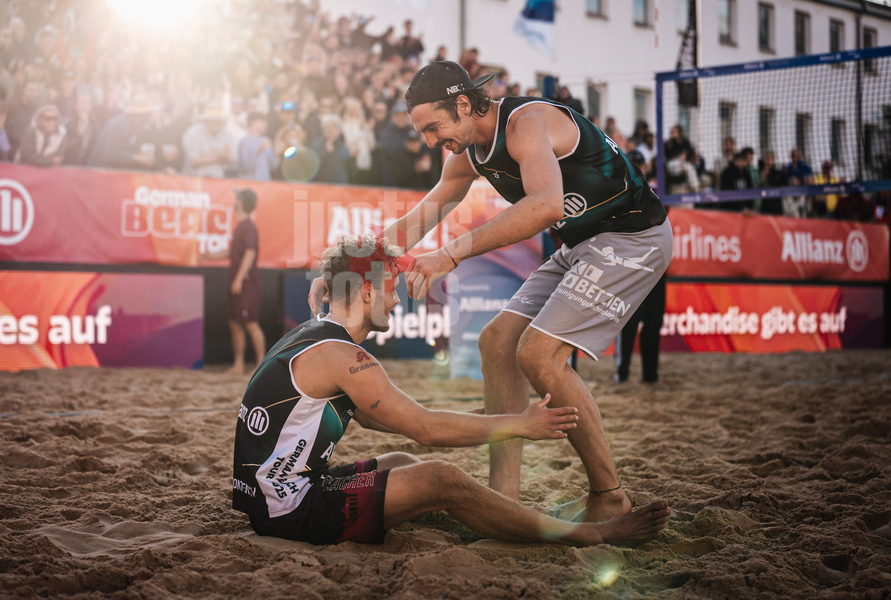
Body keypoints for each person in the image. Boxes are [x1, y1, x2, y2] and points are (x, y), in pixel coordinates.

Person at [309, 61, 672, 524]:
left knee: (538, 356)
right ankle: (508, 500)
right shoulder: (467, 152)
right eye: (421, 132)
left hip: (634, 237)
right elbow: (415, 222)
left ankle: (610, 495)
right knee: (496, 341)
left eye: (432, 127)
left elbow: (546, 205)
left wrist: (450, 254)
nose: (428, 142)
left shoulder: (525, 124)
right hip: (584, 244)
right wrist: (342, 267)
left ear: (463, 104)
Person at [238, 234, 670, 546]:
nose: (397, 301)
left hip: (274, 494)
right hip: (290, 509)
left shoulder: (314, 334)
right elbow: (425, 428)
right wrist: (518, 424)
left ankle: (494, 520)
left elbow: (376, 417)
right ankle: (590, 535)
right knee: (442, 476)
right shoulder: (344, 357)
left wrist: (487, 420)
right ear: (366, 293)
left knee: (406, 463)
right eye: (389, 291)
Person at [219, 189, 266, 376]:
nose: (234, 201)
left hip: (246, 283)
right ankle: (238, 365)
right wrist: (206, 255)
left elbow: (250, 253)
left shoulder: (248, 226)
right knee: (235, 323)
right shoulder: (241, 226)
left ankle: (260, 365)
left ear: (241, 202)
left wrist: (239, 278)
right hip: (239, 281)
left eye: (237, 198)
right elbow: (231, 253)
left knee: (250, 323)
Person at [614, 272, 667, 385]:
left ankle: (651, 376)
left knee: (653, 325)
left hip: (656, 275)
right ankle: (622, 375)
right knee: (628, 325)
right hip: (634, 273)